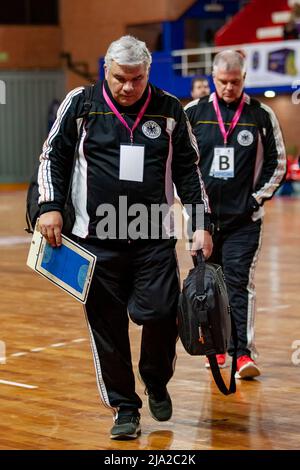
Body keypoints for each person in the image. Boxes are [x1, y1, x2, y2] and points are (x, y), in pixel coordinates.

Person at [37, 35, 212, 439]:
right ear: (106, 71)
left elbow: (189, 171)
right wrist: (48, 206)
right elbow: (53, 157)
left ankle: (155, 378)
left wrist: (201, 223)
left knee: (162, 314)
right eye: (120, 79)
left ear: (148, 72)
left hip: (152, 237)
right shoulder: (80, 104)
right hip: (95, 243)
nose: (129, 87)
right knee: (108, 330)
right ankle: (124, 409)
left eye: (137, 78)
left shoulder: (169, 110)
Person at [185, 50, 286, 380]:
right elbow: (183, 167)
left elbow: (278, 163)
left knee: (239, 284)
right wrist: (192, 211)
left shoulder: (261, 115)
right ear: (213, 78)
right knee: (208, 287)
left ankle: (242, 354)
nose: (229, 88)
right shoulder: (194, 114)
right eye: (223, 82)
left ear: (245, 79)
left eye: (236, 82)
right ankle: (214, 347)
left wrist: (254, 201)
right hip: (204, 222)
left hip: (245, 221)